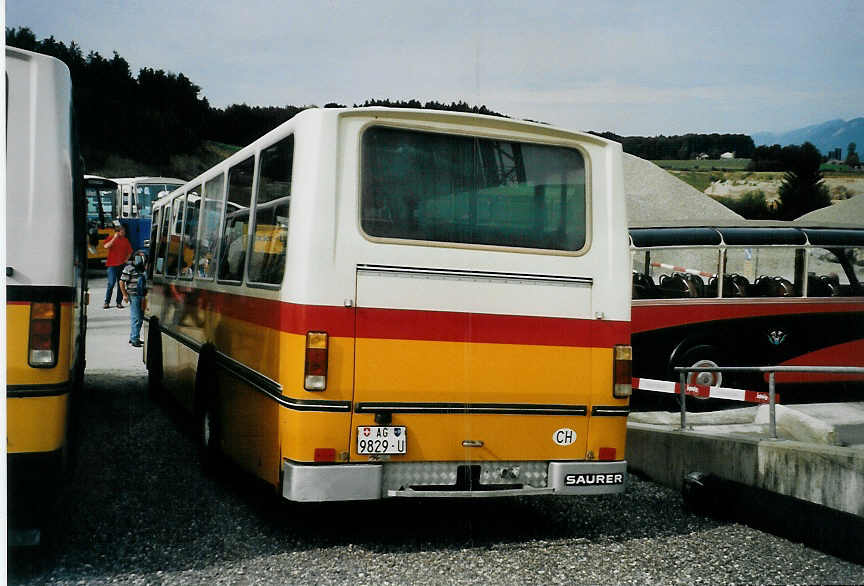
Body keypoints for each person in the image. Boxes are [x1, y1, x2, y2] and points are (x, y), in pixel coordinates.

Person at [119, 252, 148, 347]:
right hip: (134, 295)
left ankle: (134, 337)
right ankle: (135, 339)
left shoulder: (144, 268)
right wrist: (125, 295)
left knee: (140, 317)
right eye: (140, 257)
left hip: (143, 295)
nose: (142, 259)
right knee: (136, 317)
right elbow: (121, 282)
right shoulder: (129, 268)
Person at [103, 223, 133, 309]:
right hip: (112, 265)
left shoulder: (125, 240)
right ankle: (107, 302)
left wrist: (126, 259)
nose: (124, 232)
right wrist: (114, 238)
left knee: (121, 283)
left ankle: (118, 302)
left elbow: (130, 251)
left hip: (121, 265)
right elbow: (106, 246)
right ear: (118, 232)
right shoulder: (111, 238)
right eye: (123, 231)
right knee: (111, 283)